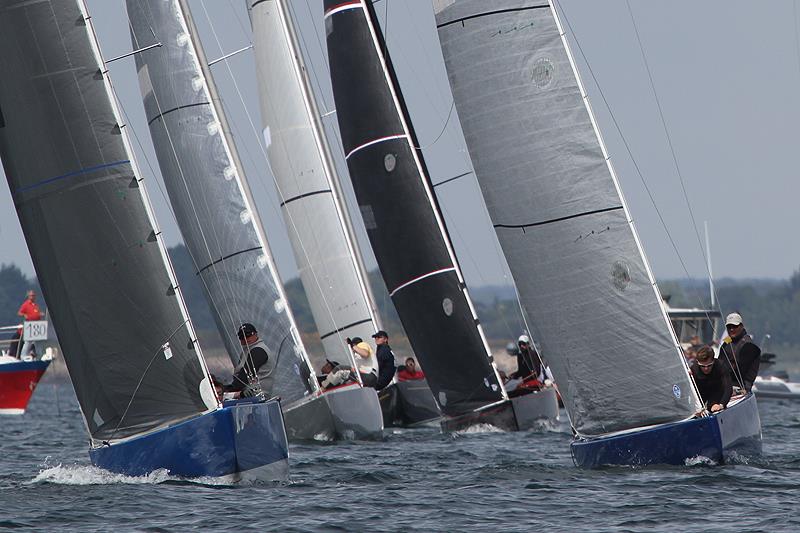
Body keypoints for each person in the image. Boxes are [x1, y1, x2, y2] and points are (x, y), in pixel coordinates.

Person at [224, 323, 275, 398]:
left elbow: (243, 378)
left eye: (248, 335)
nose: (245, 338)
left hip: (257, 397)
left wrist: (225, 391)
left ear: (256, 334)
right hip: (248, 394)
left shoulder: (258, 351)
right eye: (241, 337)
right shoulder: (248, 350)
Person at [718, 312, 761, 393]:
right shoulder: (727, 342)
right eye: (729, 327)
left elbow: (742, 371)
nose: (731, 329)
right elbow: (720, 361)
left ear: (741, 326)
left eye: (735, 326)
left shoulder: (748, 345)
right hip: (725, 385)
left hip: (741, 387)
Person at [690, 345, 732, 413]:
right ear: (698, 362)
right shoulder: (694, 369)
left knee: (713, 407)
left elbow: (728, 388)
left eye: (709, 365)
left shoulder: (721, 366)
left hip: (717, 392)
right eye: (702, 366)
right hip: (702, 394)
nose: (706, 369)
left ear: (713, 361)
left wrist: (721, 405)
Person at [10, 290, 43, 358]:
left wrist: (40, 314)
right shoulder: (26, 304)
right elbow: (19, 313)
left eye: (34, 295)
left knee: (37, 342)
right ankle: (23, 355)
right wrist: (25, 315)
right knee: (28, 341)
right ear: (28, 296)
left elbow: (36, 314)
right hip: (29, 326)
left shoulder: (36, 305)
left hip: (36, 327)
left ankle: (39, 355)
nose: (32, 297)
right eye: (31, 295)